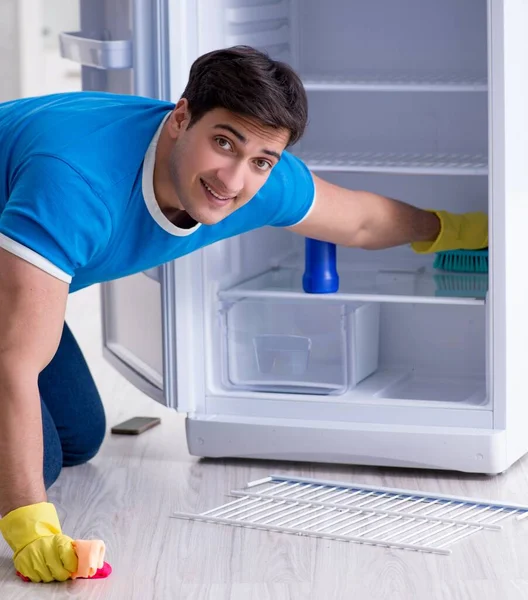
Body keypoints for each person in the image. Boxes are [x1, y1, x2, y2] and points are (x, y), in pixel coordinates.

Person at [0, 45, 488, 583]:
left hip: (12, 266)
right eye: (223, 143)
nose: (233, 180)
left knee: (77, 438)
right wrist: (31, 530)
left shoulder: (254, 178)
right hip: (24, 241)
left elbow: (363, 222)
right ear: (181, 118)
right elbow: (15, 365)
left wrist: (461, 230)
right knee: (30, 474)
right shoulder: (74, 182)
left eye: (260, 160)